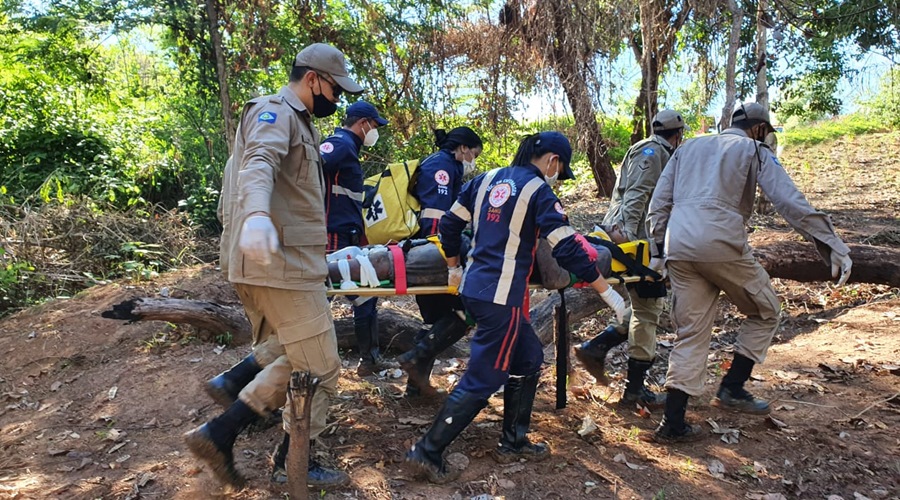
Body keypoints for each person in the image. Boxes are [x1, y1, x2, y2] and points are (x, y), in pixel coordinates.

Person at [184, 42, 364, 488]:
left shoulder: (299, 121)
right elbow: (258, 164)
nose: (336, 100)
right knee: (320, 367)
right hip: (279, 265)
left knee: (296, 350)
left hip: (292, 263)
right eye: (334, 90)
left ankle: (235, 384)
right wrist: (258, 215)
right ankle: (274, 457)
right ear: (312, 79)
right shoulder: (275, 112)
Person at [404, 132, 628, 483]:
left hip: (474, 288)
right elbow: (567, 248)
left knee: (528, 359)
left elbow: (449, 224)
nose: (557, 173)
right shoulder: (539, 192)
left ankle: (514, 440)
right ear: (553, 160)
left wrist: (452, 267)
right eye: (561, 167)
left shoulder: (484, 180)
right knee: (484, 376)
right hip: (500, 297)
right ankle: (427, 451)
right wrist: (608, 293)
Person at [647, 102, 853, 443]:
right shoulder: (753, 149)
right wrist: (830, 241)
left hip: (678, 245)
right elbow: (788, 200)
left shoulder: (688, 147)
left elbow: (660, 202)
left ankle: (673, 423)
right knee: (766, 310)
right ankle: (732, 387)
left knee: (692, 333)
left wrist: (658, 249)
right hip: (721, 243)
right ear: (759, 129)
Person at [575, 109, 687, 409]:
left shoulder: (662, 152)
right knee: (649, 310)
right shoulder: (651, 152)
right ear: (677, 134)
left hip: (643, 241)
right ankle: (634, 389)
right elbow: (637, 195)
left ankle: (596, 348)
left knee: (646, 308)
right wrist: (626, 237)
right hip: (636, 243)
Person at [398, 127, 484, 397]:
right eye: (474, 154)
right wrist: (451, 261)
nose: (473, 159)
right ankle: (415, 363)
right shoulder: (442, 168)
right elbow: (435, 221)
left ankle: (416, 386)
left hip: (428, 252)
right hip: (433, 253)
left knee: (434, 319)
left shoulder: (444, 166)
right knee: (462, 311)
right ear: (463, 148)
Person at [321, 100, 390, 375]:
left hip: (345, 233)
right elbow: (315, 163)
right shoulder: (340, 143)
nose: (375, 132)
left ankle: (370, 360)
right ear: (363, 123)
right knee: (322, 292)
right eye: (374, 126)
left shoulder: (348, 147)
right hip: (332, 235)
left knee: (365, 294)